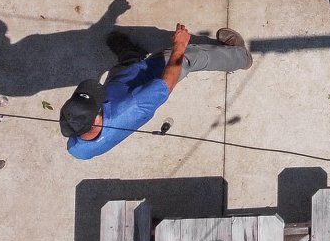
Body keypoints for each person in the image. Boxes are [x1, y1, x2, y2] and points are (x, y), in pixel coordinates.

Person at [60, 23, 251, 159]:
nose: (97, 92)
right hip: (146, 79)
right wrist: (180, 46)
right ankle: (241, 56)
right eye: (96, 101)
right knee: (188, 59)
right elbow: (166, 83)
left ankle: (132, 55)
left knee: (121, 72)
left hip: (120, 83)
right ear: (96, 119)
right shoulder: (134, 106)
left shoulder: (78, 149)